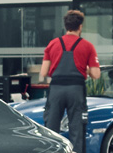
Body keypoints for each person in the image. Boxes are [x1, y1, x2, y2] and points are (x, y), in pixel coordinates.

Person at [40, 8, 98, 142]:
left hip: (56, 90)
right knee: (77, 130)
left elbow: (43, 73)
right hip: (76, 90)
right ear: (80, 26)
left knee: (51, 129)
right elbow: (96, 74)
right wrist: (86, 69)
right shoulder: (87, 46)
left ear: (65, 26)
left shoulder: (52, 44)